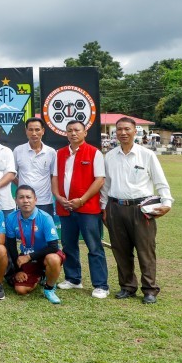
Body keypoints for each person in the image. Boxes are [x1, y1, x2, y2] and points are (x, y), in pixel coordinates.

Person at [103, 116, 173, 304]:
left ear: (135, 131)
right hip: (115, 208)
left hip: (142, 209)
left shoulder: (146, 155)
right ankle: (127, 287)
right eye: (119, 130)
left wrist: (167, 203)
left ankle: (149, 289)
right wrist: (104, 208)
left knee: (145, 250)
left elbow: (160, 182)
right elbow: (105, 185)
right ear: (114, 133)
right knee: (121, 250)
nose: (123, 133)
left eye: (127, 129)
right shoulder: (110, 156)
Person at [51, 120, 109, 298]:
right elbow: (54, 178)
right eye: (69, 131)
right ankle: (73, 279)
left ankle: (101, 285)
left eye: (77, 130)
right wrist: (59, 197)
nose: (73, 133)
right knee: (68, 245)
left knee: (94, 246)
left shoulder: (94, 153)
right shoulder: (60, 154)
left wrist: (81, 200)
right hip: (65, 208)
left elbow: (99, 180)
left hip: (88, 209)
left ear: (85, 132)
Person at [6, 185, 65, 304]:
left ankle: (49, 288)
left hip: (46, 254)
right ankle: (41, 275)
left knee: (53, 259)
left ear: (35, 200)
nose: (25, 201)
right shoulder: (11, 218)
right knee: (20, 290)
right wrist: (18, 270)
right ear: (16, 200)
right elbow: (11, 246)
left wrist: (28, 257)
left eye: (29, 197)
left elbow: (54, 247)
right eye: (21, 197)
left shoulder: (45, 217)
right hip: (28, 257)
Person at [14, 118, 57, 215]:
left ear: (43, 131)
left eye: (37, 130)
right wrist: (22, 186)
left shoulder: (51, 152)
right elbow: (12, 174)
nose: (34, 133)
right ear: (26, 131)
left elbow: (53, 176)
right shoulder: (18, 150)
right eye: (30, 130)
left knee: (44, 229)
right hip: (24, 201)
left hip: (45, 200)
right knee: (23, 229)